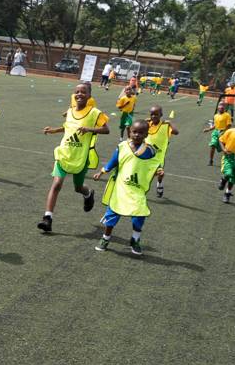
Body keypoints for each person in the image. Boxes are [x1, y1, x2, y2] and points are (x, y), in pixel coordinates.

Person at [37, 83, 110, 233]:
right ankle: (47, 218)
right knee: (56, 184)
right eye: (77, 92)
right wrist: (53, 130)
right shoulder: (70, 111)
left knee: (78, 187)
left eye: (83, 92)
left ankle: (88, 193)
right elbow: (68, 127)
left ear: (89, 95)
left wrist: (89, 129)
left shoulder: (95, 113)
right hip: (64, 153)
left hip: (80, 157)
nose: (79, 94)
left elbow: (106, 129)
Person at [92, 119, 157, 256]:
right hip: (121, 187)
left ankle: (135, 240)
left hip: (137, 189)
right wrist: (102, 171)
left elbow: (154, 166)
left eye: (141, 132)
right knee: (113, 213)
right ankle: (105, 239)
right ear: (130, 132)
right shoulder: (122, 146)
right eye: (134, 132)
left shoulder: (150, 151)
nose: (137, 135)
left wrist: (159, 171)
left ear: (146, 134)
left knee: (139, 215)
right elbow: (113, 161)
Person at [146, 104, 179, 197]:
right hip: (146, 154)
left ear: (161, 115)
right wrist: (144, 121)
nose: (153, 116)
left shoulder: (165, 126)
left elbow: (176, 132)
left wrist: (170, 123)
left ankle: (159, 183)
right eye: (151, 114)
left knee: (159, 174)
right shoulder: (148, 124)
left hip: (158, 157)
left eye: (156, 114)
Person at [203, 100, 232, 166]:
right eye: (220, 105)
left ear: (225, 107)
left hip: (223, 132)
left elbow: (229, 125)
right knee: (212, 145)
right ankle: (211, 160)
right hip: (216, 132)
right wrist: (208, 129)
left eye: (223, 105)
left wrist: (223, 131)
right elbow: (215, 125)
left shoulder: (227, 115)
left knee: (224, 149)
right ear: (218, 107)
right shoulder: (215, 115)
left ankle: (226, 162)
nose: (221, 106)